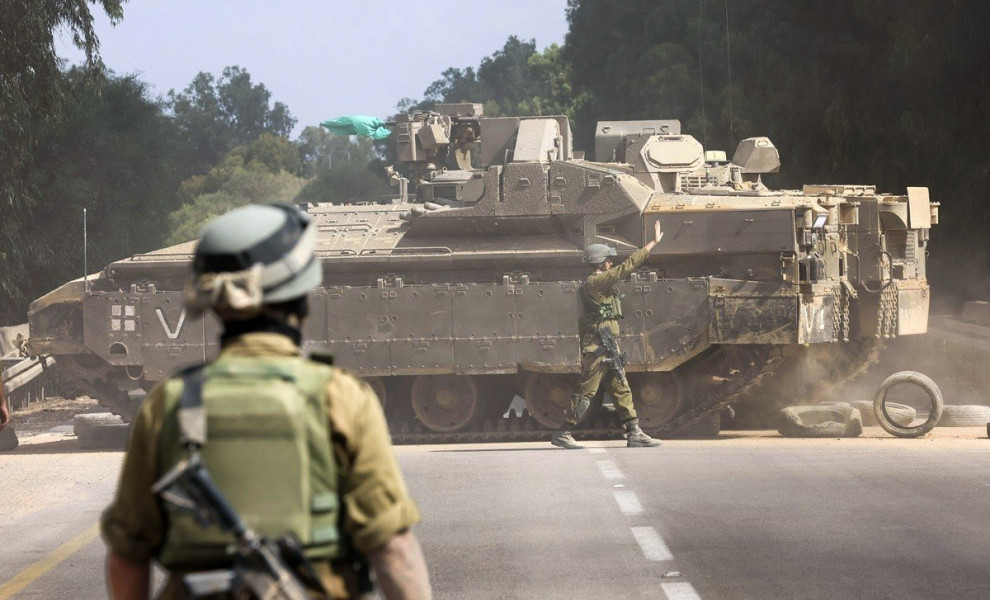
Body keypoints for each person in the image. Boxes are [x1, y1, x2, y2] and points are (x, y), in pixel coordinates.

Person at [102, 202, 432, 600]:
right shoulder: (340, 397)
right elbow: (394, 549)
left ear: (217, 305)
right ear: (302, 297)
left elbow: (127, 556)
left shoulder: (168, 404)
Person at [551, 220, 665, 450]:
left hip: (608, 345)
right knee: (587, 390)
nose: (611, 264)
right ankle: (563, 432)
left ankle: (634, 432)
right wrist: (651, 245)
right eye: (608, 261)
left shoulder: (600, 282)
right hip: (597, 347)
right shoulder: (594, 282)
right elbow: (625, 268)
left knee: (621, 387)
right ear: (600, 264)